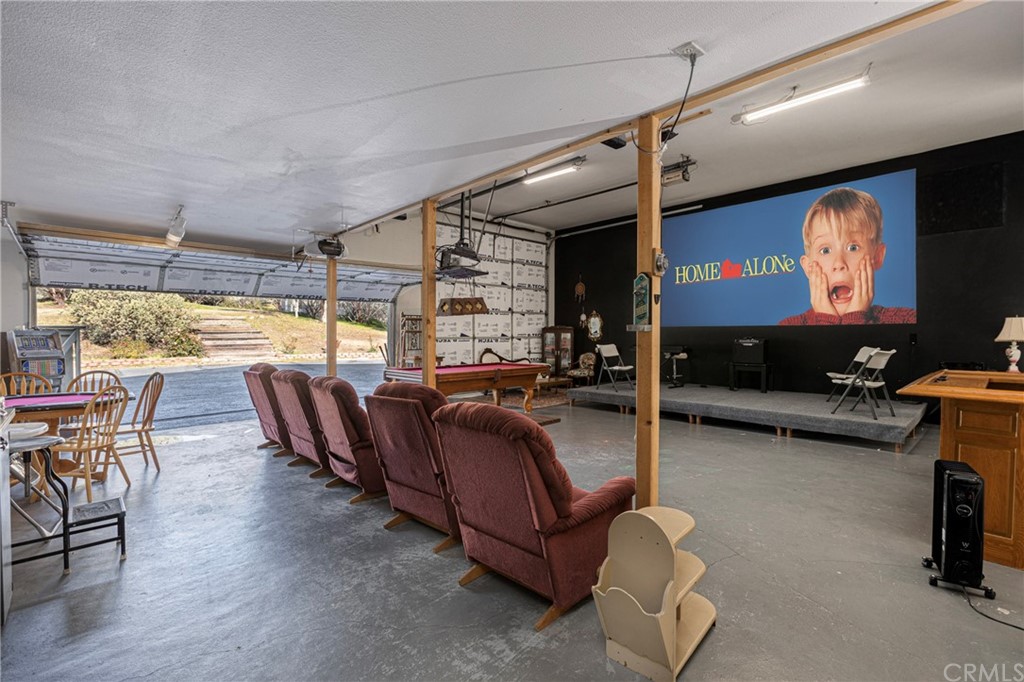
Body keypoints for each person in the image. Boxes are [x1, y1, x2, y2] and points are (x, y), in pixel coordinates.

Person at [779, 187, 916, 325]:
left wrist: (855, 318)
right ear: (808, 267)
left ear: (878, 256)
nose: (839, 263)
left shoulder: (907, 320)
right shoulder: (788, 326)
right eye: (825, 250)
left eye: (853, 248)